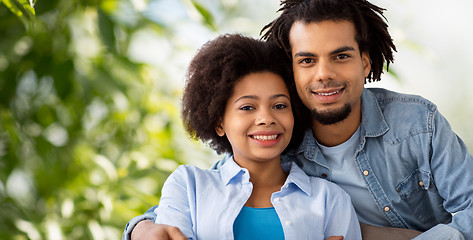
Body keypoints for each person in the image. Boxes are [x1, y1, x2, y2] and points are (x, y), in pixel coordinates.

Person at [124, 0, 473, 239]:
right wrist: (142, 228)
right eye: (307, 60)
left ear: (365, 63)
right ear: (290, 69)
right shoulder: (279, 139)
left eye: (340, 56)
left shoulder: (416, 124)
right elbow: (200, 193)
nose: (324, 74)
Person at [130, 33, 362, 240]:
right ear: (219, 122)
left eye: (280, 105)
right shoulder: (188, 186)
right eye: (247, 107)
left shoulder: (330, 200)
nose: (266, 118)